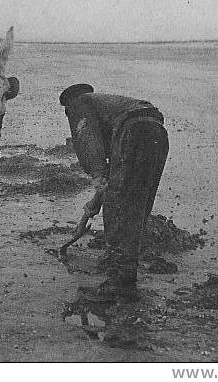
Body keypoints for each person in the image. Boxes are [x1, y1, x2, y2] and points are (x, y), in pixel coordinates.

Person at [58, 83, 169, 301]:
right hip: (155, 132)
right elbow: (115, 178)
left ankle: (120, 283)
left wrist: (97, 176)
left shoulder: (79, 104)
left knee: (119, 209)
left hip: (135, 132)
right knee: (136, 206)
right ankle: (122, 269)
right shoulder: (110, 105)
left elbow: (88, 143)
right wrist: (97, 200)